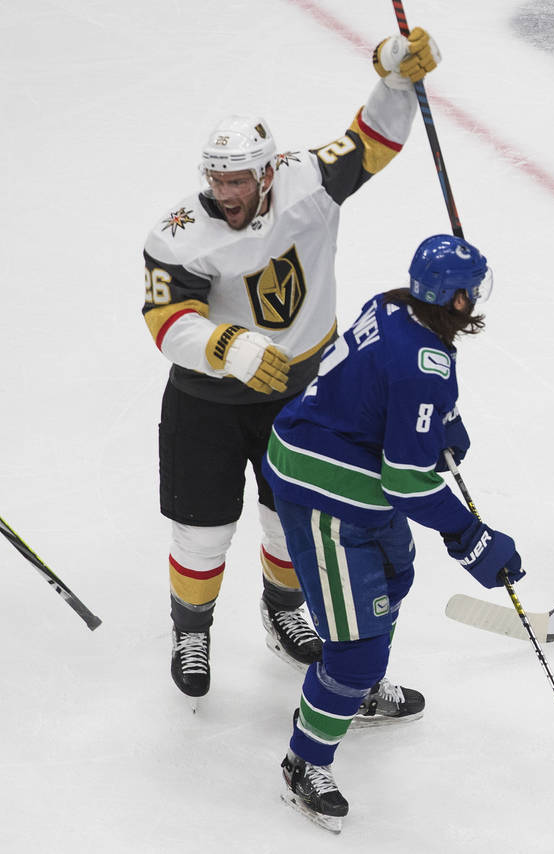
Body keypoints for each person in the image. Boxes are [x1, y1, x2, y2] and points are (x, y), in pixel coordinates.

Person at [141, 26, 443, 701]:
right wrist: (228, 346)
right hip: (207, 402)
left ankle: (282, 613)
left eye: (240, 178)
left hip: (302, 396)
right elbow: (166, 321)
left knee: (291, 520)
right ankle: (192, 627)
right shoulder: (180, 235)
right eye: (218, 179)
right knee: (202, 531)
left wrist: (394, 77)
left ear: (269, 170)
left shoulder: (309, 181)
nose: (227, 191)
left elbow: (375, 139)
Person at [261, 234, 523, 831]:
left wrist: (443, 423)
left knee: (393, 574)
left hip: (349, 471)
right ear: (455, 300)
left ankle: (360, 687)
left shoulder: (391, 304)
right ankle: (306, 759)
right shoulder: (421, 363)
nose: (477, 297)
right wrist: (473, 538)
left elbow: (385, 387)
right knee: (353, 651)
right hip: (326, 490)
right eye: (472, 289)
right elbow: (407, 482)